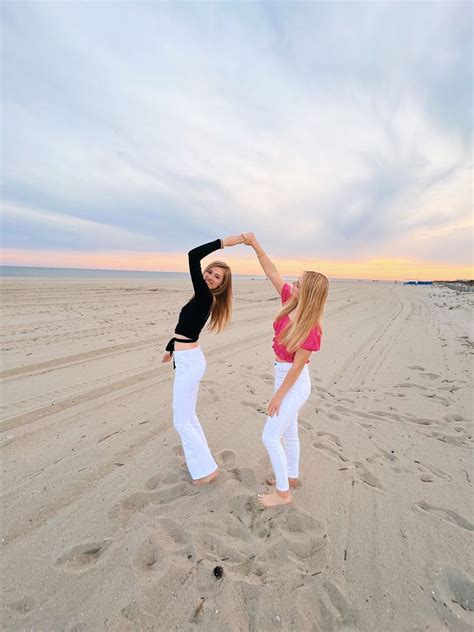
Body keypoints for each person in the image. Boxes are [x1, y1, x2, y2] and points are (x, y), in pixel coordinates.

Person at [242, 232, 329, 507]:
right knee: (289, 432)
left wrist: (278, 395)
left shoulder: (311, 328)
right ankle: (290, 476)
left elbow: (298, 367)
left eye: (299, 284)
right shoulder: (290, 300)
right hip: (283, 375)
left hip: (295, 382)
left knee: (269, 436)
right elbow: (271, 271)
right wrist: (255, 244)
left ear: (309, 293)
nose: (293, 283)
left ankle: (283, 494)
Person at [163, 236, 243, 485]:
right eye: (209, 272)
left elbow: (192, 255)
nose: (209, 276)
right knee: (189, 417)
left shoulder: (206, 297)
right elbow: (186, 327)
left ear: (221, 285)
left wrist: (225, 242)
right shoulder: (201, 298)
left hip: (190, 362)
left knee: (181, 421)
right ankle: (203, 463)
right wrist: (170, 348)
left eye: (216, 276)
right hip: (188, 357)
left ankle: (207, 470)